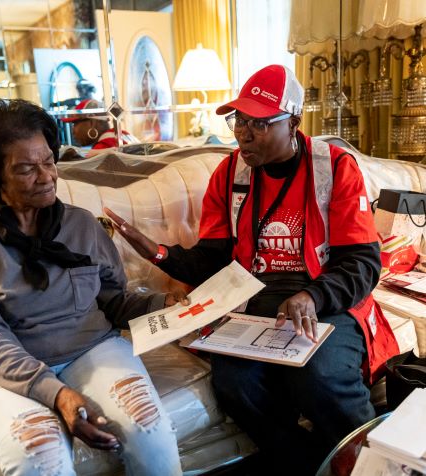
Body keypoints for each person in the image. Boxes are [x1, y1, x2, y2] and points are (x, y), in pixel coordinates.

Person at [104, 64, 400, 475]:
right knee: (234, 383)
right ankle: (304, 464)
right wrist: (157, 252)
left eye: (259, 123)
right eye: (239, 119)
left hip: (326, 296)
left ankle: (371, 466)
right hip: (255, 300)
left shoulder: (334, 168)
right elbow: (213, 259)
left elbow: (362, 264)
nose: (243, 132)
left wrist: (312, 295)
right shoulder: (229, 175)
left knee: (321, 377)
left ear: (293, 122)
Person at [0, 98, 185, 476]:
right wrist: (56, 393)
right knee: (39, 450)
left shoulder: (83, 226)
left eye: (49, 162)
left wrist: (165, 303)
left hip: (89, 348)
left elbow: (113, 302)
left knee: (147, 425)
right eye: (26, 169)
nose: (46, 177)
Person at [62, 99, 139, 152]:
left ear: (92, 122)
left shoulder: (103, 148)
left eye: (75, 124)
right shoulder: (123, 134)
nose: (72, 131)